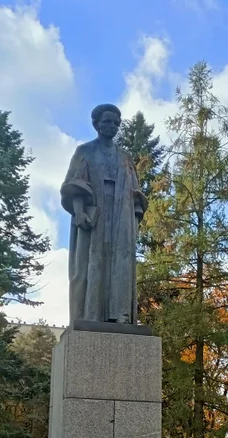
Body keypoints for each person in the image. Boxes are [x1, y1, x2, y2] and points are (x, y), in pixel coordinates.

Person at [60, 103, 147, 325]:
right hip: (94, 216)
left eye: (116, 123)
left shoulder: (125, 157)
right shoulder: (84, 151)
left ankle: (120, 315)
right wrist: (79, 212)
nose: (112, 126)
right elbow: (74, 184)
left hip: (121, 215)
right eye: (107, 122)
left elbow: (135, 191)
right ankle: (90, 315)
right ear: (97, 124)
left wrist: (133, 214)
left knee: (120, 262)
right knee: (92, 262)